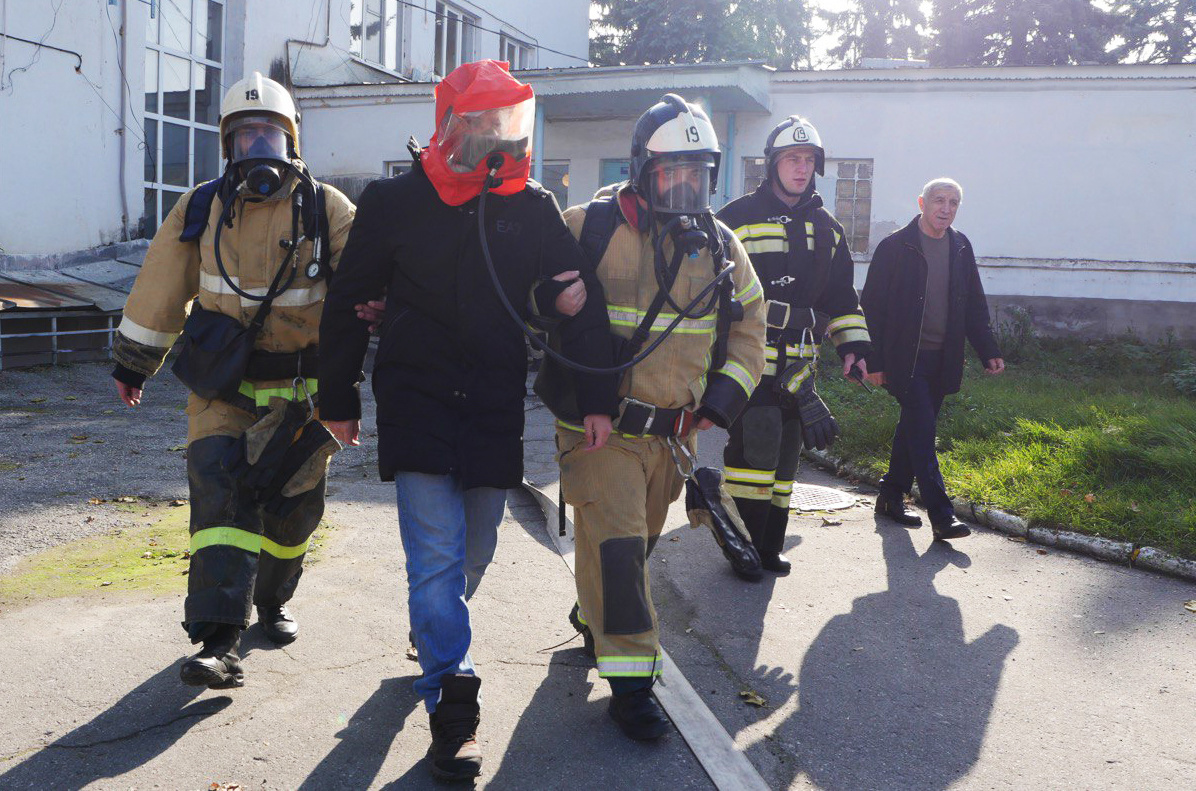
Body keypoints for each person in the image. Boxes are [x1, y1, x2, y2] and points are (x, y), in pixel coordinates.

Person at [317, 60, 616, 782]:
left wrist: (596, 395)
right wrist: (338, 397)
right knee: (436, 556)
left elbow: (578, 297)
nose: (491, 138)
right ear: (450, 124)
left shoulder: (532, 206)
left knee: (473, 550)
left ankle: (433, 627)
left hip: (490, 405)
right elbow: (347, 299)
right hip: (415, 398)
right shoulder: (393, 201)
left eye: (502, 125)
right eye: (477, 123)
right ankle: (455, 710)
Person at [111, 73, 356, 687]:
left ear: (291, 141)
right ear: (227, 145)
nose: (257, 149)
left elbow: (369, 287)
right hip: (223, 391)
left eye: (268, 134)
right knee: (220, 504)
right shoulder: (200, 207)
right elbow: (160, 286)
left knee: (292, 514)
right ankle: (220, 640)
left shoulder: (327, 210)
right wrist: (134, 361)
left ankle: (273, 600)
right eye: (245, 136)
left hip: (302, 400)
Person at [557, 94, 766, 740]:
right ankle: (631, 687)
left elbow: (750, 331)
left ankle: (591, 613)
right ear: (642, 170)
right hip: (601, 431)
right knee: (620, 549)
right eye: (673, 173)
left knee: (633, 548)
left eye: (699, 174)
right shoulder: (587, 226)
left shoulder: (722, 246)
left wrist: (720, 403)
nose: (687, 188)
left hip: (671, 441)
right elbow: (526, 295)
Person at [715, 116, 871, 574]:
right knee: (754, 452)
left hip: (802, 369)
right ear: (773, 164)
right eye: (791, 159)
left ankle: (769, 545)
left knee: (786, 458)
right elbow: (712, 294)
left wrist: (854, 349)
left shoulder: (829, 229)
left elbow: (843, 297)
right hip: (749, 361)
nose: (801, 168)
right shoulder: (735, 219)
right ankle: (741, 545)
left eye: (808, 160)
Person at [860, 177, 1005, 540]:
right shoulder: (896, 247)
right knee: (923, 432)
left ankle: (891, 496)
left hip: (944, 357)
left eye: (953, 202)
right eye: (939, 200)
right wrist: (873, 361)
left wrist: (988, 349)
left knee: (912, 428)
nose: (946, 208)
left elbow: (974, 302)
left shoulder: (960, 246)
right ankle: (942, 516)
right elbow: (872, 308)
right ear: (921, 203)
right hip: (903, 359)